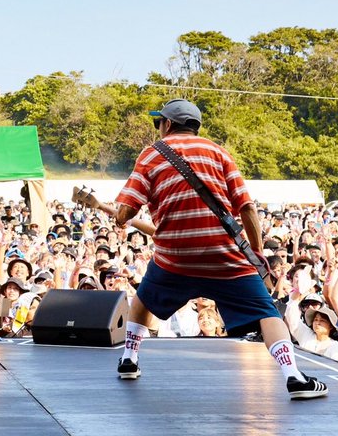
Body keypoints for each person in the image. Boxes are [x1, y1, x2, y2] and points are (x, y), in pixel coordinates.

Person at [111, 99, 327, 400]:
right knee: (267, 312)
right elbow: (248, 208)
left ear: (168, 124)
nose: (158, 128)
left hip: (174, 259)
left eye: (158, 122)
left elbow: (124, 213)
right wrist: (256, 253)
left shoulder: (150, 155)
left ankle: (129, 360)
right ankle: (293, 375)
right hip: (224, 257)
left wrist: (120, 215)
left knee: (143, 299)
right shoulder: (219, 153)